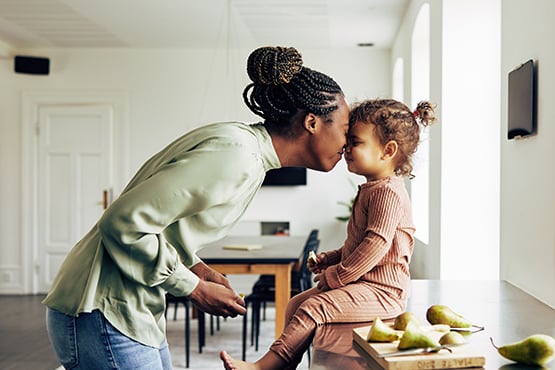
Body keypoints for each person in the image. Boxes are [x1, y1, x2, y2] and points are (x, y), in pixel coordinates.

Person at [43, 46, 350, 370]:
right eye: (344, 129)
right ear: (312, 123)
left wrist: (196, 268)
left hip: (129, 310)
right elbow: (122, 223)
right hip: (101, 309)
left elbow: (161, 226)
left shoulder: (249, 155)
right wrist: (194, 289)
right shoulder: (237, 156)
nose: (347, 143)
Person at [220, 98, 437, 370]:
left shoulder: (388, 193)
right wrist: (331, 259)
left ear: (388, 150)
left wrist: (339, 275)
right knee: (297, 303)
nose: (345, 148)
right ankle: (286, 364)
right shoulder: (373, 189)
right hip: (365, 286)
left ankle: (263, 367)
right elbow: (358, 244)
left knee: (314, 308)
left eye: (355, 142)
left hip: (383, 292)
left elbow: (376, 244)